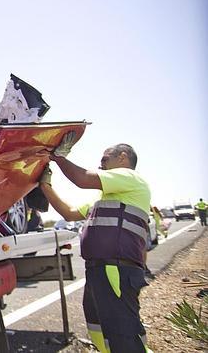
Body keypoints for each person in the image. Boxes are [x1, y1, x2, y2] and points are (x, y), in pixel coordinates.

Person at [39, 134, 152, 353]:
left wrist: (59, 157)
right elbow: (69, 213)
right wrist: (46, 186)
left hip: (116, 269)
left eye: (105, 158)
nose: (100, 164)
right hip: (99, 269)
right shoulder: (104, 197)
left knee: (123, 335)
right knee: (99, 330)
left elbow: (82, 179)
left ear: (123, 157)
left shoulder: (130, 177)